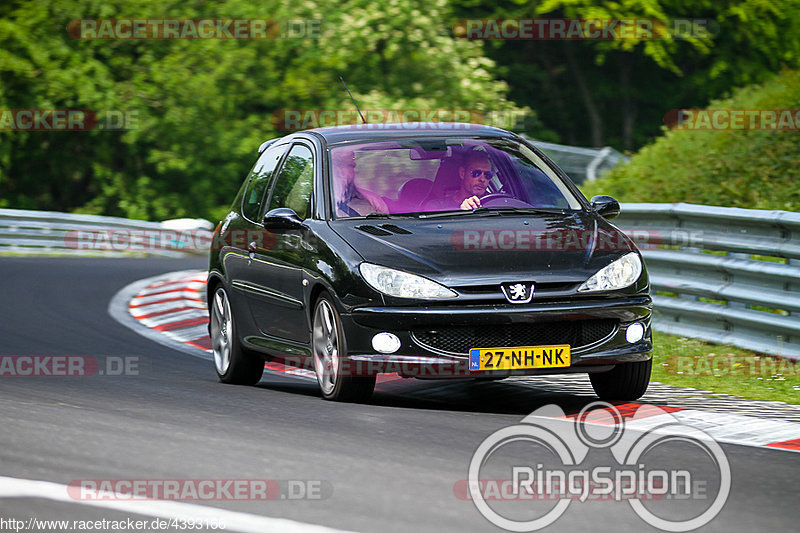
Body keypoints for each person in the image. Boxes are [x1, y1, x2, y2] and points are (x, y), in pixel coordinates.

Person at [425, 150, 494, 211]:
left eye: (487, 175)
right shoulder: (437, 207)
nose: (482, 179)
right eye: (476, 173)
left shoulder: (496, 204)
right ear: (462, 173)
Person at [331, 149, 388, 216]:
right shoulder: (320, 202)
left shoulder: (372, 200)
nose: (340, 171)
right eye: (338, 164)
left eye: (350, 166)